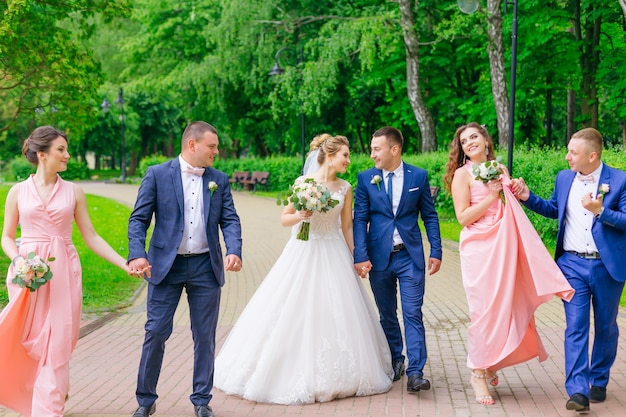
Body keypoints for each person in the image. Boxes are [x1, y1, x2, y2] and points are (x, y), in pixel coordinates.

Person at [213, 134, 393, 404]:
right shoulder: (303, 184)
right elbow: (285, 218)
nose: (349, 160)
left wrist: (358, 256)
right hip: (303, 251)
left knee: (337, 310)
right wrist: (301, 215)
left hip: (334, 253)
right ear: (330, 155)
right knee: (293, 308)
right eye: (345, 154)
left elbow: (346, 227)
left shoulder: (345, 187)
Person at [0, 126, 130, 417]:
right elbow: (7, 236)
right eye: (61, 150)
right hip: (28, 276)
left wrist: (123, 263)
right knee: (27, 340)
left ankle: (49, 407)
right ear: (42, 154)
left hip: (64, 274)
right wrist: (19, 260)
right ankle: (36, 392)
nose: (67, 155)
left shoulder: (74, 192)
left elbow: (91, 236)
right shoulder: (17, 192)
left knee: (58, 341)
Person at [442, 122, 575, 405]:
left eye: (474, 137)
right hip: (478, 248)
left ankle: (490, 363)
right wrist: (492, 196)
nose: (469, 143)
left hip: (503, 244)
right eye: (464, 141)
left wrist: (515, 189)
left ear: (486, 140)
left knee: (505, 306)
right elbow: (463, 218)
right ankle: (477, 372)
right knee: (483, 310)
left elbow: (509, 205)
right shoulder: (462, 176)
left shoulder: (500, 169)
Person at [127, 121, 242, 417]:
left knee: (204, 335)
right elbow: (138, 219)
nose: (216, 151)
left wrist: (234, 250)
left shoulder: (219, 179)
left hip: (206, 265)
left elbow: (229, 219)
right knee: (155, 331)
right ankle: (145, 400)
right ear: (192, 145)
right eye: (212, 146)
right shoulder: (156, 174)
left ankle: (202, 401)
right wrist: (136, 254)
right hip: (165, 266)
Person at [515, 127, 626, 413]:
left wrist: (600, 210)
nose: (567, 157)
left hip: (607, 265)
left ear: (593, 155)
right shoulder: (564, 178)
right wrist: (527, 196)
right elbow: (555, 208)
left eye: (573, 153)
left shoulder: (621, 180)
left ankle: (598, 379)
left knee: (606, 326)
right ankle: (578, 391)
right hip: (571, 265)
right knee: (575, 327)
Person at [353, 126, 442, 393]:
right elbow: (360, 219)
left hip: (409, 256)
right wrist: (360, 255)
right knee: (387, 315)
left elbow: (430, 215)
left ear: (394, 149)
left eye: (376, 149)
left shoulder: (419, 176)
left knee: (413, 313)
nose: (372, 155)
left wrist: (436, 250)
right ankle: (396, 359)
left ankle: (416, 372)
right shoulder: (366, 178)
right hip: (379, 258)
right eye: (371, 149)